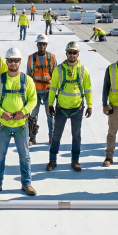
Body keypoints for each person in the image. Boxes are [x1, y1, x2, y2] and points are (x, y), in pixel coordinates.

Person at [0, 47, 38, 196]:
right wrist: (2, 113)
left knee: (25, 156)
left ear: (20, 62)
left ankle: (27, 184)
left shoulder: (27, 80)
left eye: (16, 61)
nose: (13, 63)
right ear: (6, 62)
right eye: (10, 61)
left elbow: (33, 99)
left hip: (21, 126)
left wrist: (23, 112)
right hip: (3, 126)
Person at [47, 41, 93, 172]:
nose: (72, 55)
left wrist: (90, 105)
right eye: (70, 52)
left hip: (77, 108)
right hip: (61, 108)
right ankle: (52, 160)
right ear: (66, 53)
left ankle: (75, 161)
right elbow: (53, 88)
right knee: (56, 135)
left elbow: (88, 89)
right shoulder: (59, 69)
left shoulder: (83, 70)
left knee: (76, 135)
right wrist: (50, 104)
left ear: (78, 54)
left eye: (74, 52)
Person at [26, 34, 56, 145]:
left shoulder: (52, 58)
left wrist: (55, 92)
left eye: (44, 44)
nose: (42, 46)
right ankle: (32, 137)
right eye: (40, 44)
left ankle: (51, 136)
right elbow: (28, 76)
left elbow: (55, 76)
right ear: (37, 45)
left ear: (46, 45)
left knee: (50, 116)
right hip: (35, 92)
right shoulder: (31, 58)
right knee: (33, 116)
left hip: (48, 91)